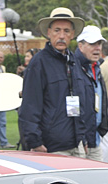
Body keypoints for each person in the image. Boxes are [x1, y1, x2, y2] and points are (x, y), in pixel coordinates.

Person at [19, 7, 91, 156]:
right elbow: (30, 105)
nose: (61, 36)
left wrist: (82, 138)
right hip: (52, 146)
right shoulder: (38, 63)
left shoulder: (74, 61)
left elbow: (80, 103)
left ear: (72, 34)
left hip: (75, 143)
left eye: (66, 31)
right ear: (49, 33)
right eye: (57, 30)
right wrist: (35, 141)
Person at [75, 26, 107, 162]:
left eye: (99, 43)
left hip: (95, 138)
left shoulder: (96, 67)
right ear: (80, 46)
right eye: (93, 44)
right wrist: (81, 137)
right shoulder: (73, 68)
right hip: (79, 141)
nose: (97, 48)